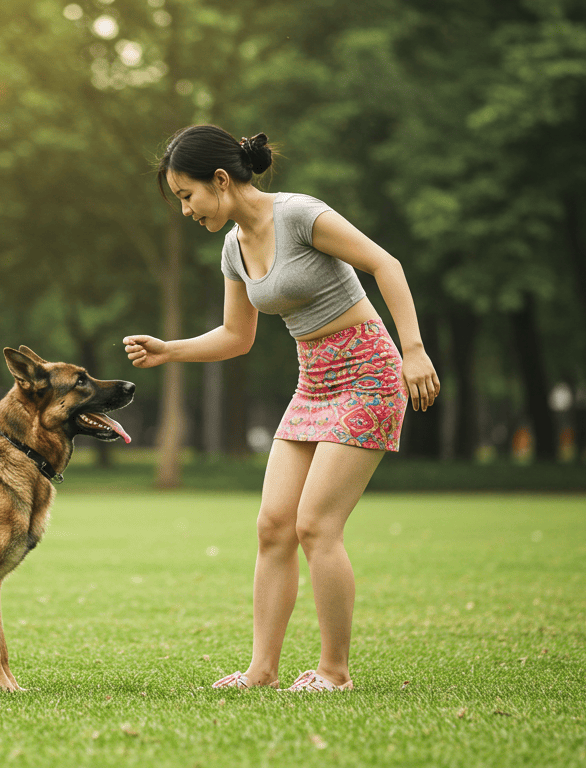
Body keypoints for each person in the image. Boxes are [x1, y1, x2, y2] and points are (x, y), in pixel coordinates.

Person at [123, 125, 439, 692]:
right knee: (273, 527)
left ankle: (334, 673)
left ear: (220, 180)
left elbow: (385, 264)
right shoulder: (232, 246)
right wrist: (171, 350)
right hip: (313, 382)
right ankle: (261, 671)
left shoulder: (301, 215)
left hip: (368, 374)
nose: (186, 210)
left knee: (317, 525)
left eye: (186, 195)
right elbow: (235, 336)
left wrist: (413, 351)